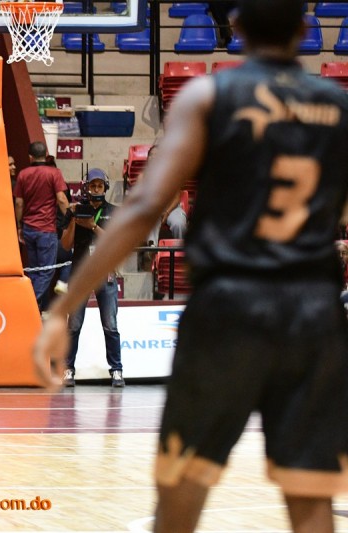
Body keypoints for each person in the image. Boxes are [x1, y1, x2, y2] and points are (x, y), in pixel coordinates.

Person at [34, 1, 348, 531]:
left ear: (235, 26)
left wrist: (63, 306)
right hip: (313, 314)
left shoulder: (209, 95)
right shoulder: (338, 107)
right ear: (304, 28)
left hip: (230, 308)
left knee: (183, 486)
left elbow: (144, 205)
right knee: (311, 497)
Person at [59, 169, 123, 388]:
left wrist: (92, 226)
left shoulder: (113, 211)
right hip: (80, 274)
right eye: (92, 186)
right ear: (86, 188)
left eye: (100, 186)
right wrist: (74, 221)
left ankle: (117, 370)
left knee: (110, 325)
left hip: (105, 273)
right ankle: (68, 369)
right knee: (74, 325)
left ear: (105, 187)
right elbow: (65, 245)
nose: (96, 189)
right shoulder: (76, 211)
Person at [14, 141, 69, 315]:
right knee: (46, 271)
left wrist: (19, 226)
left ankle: (34, 308)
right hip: (46, 229)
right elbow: (61, 199)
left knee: (35, 270)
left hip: (29, 229)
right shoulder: (54, 173)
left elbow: (19, 203)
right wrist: (70, 219)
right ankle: (28, 302)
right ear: (46, 155)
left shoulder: (23, 174)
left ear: (30, 157)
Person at [145, 145, 188, 246]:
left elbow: (176, 198)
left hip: (172, 208)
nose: (154, 157)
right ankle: (151, 249)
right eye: (151, 155)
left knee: (179, 223)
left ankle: (181, 250)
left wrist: (167, 212)